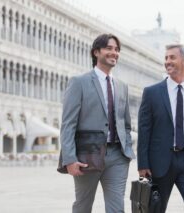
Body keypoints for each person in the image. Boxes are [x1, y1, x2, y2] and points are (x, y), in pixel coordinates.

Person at [59, 33, 135, 213]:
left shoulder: (122, 86)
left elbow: (126, 124)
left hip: (118, 156)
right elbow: (68, 124)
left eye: (117, 50)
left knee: (117, 208)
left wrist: (127, 150)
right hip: (87, 156)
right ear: (96, 52)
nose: (114, 53)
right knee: (83, 206)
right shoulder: (79, 82)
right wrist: (70, 159)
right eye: (109, 48)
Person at [137, 44, 184, 213]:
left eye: (172, 57)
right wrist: (142, 163)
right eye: (166, 58)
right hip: (160, 162)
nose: (167, 62)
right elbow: (144, 130)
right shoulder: (152, 92)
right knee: (155, 209)